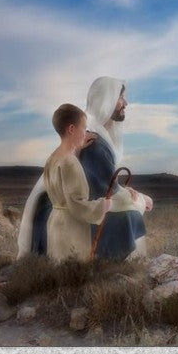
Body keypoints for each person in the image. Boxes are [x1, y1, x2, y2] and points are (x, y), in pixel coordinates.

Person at [16, 76, 153, 260]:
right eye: (120, 97)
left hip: (59, 216)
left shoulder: (76, 146)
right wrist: (141, 200)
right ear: (107, 100)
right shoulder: (94, 143)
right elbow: (100, 193)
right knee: (132, 217)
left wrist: (124, 192)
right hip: (75, 219)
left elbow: (101, 182)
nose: (125, 102)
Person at [42, 103, 111, 261]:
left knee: (57, 267)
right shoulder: (70, 162)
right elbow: (78, 205)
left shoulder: (52, 159)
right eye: (84, 128)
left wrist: (77, 148)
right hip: (70, 228)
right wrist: (105, 205)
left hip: (55, 223)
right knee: (72, 269)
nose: (86, 133)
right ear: (71, 129)